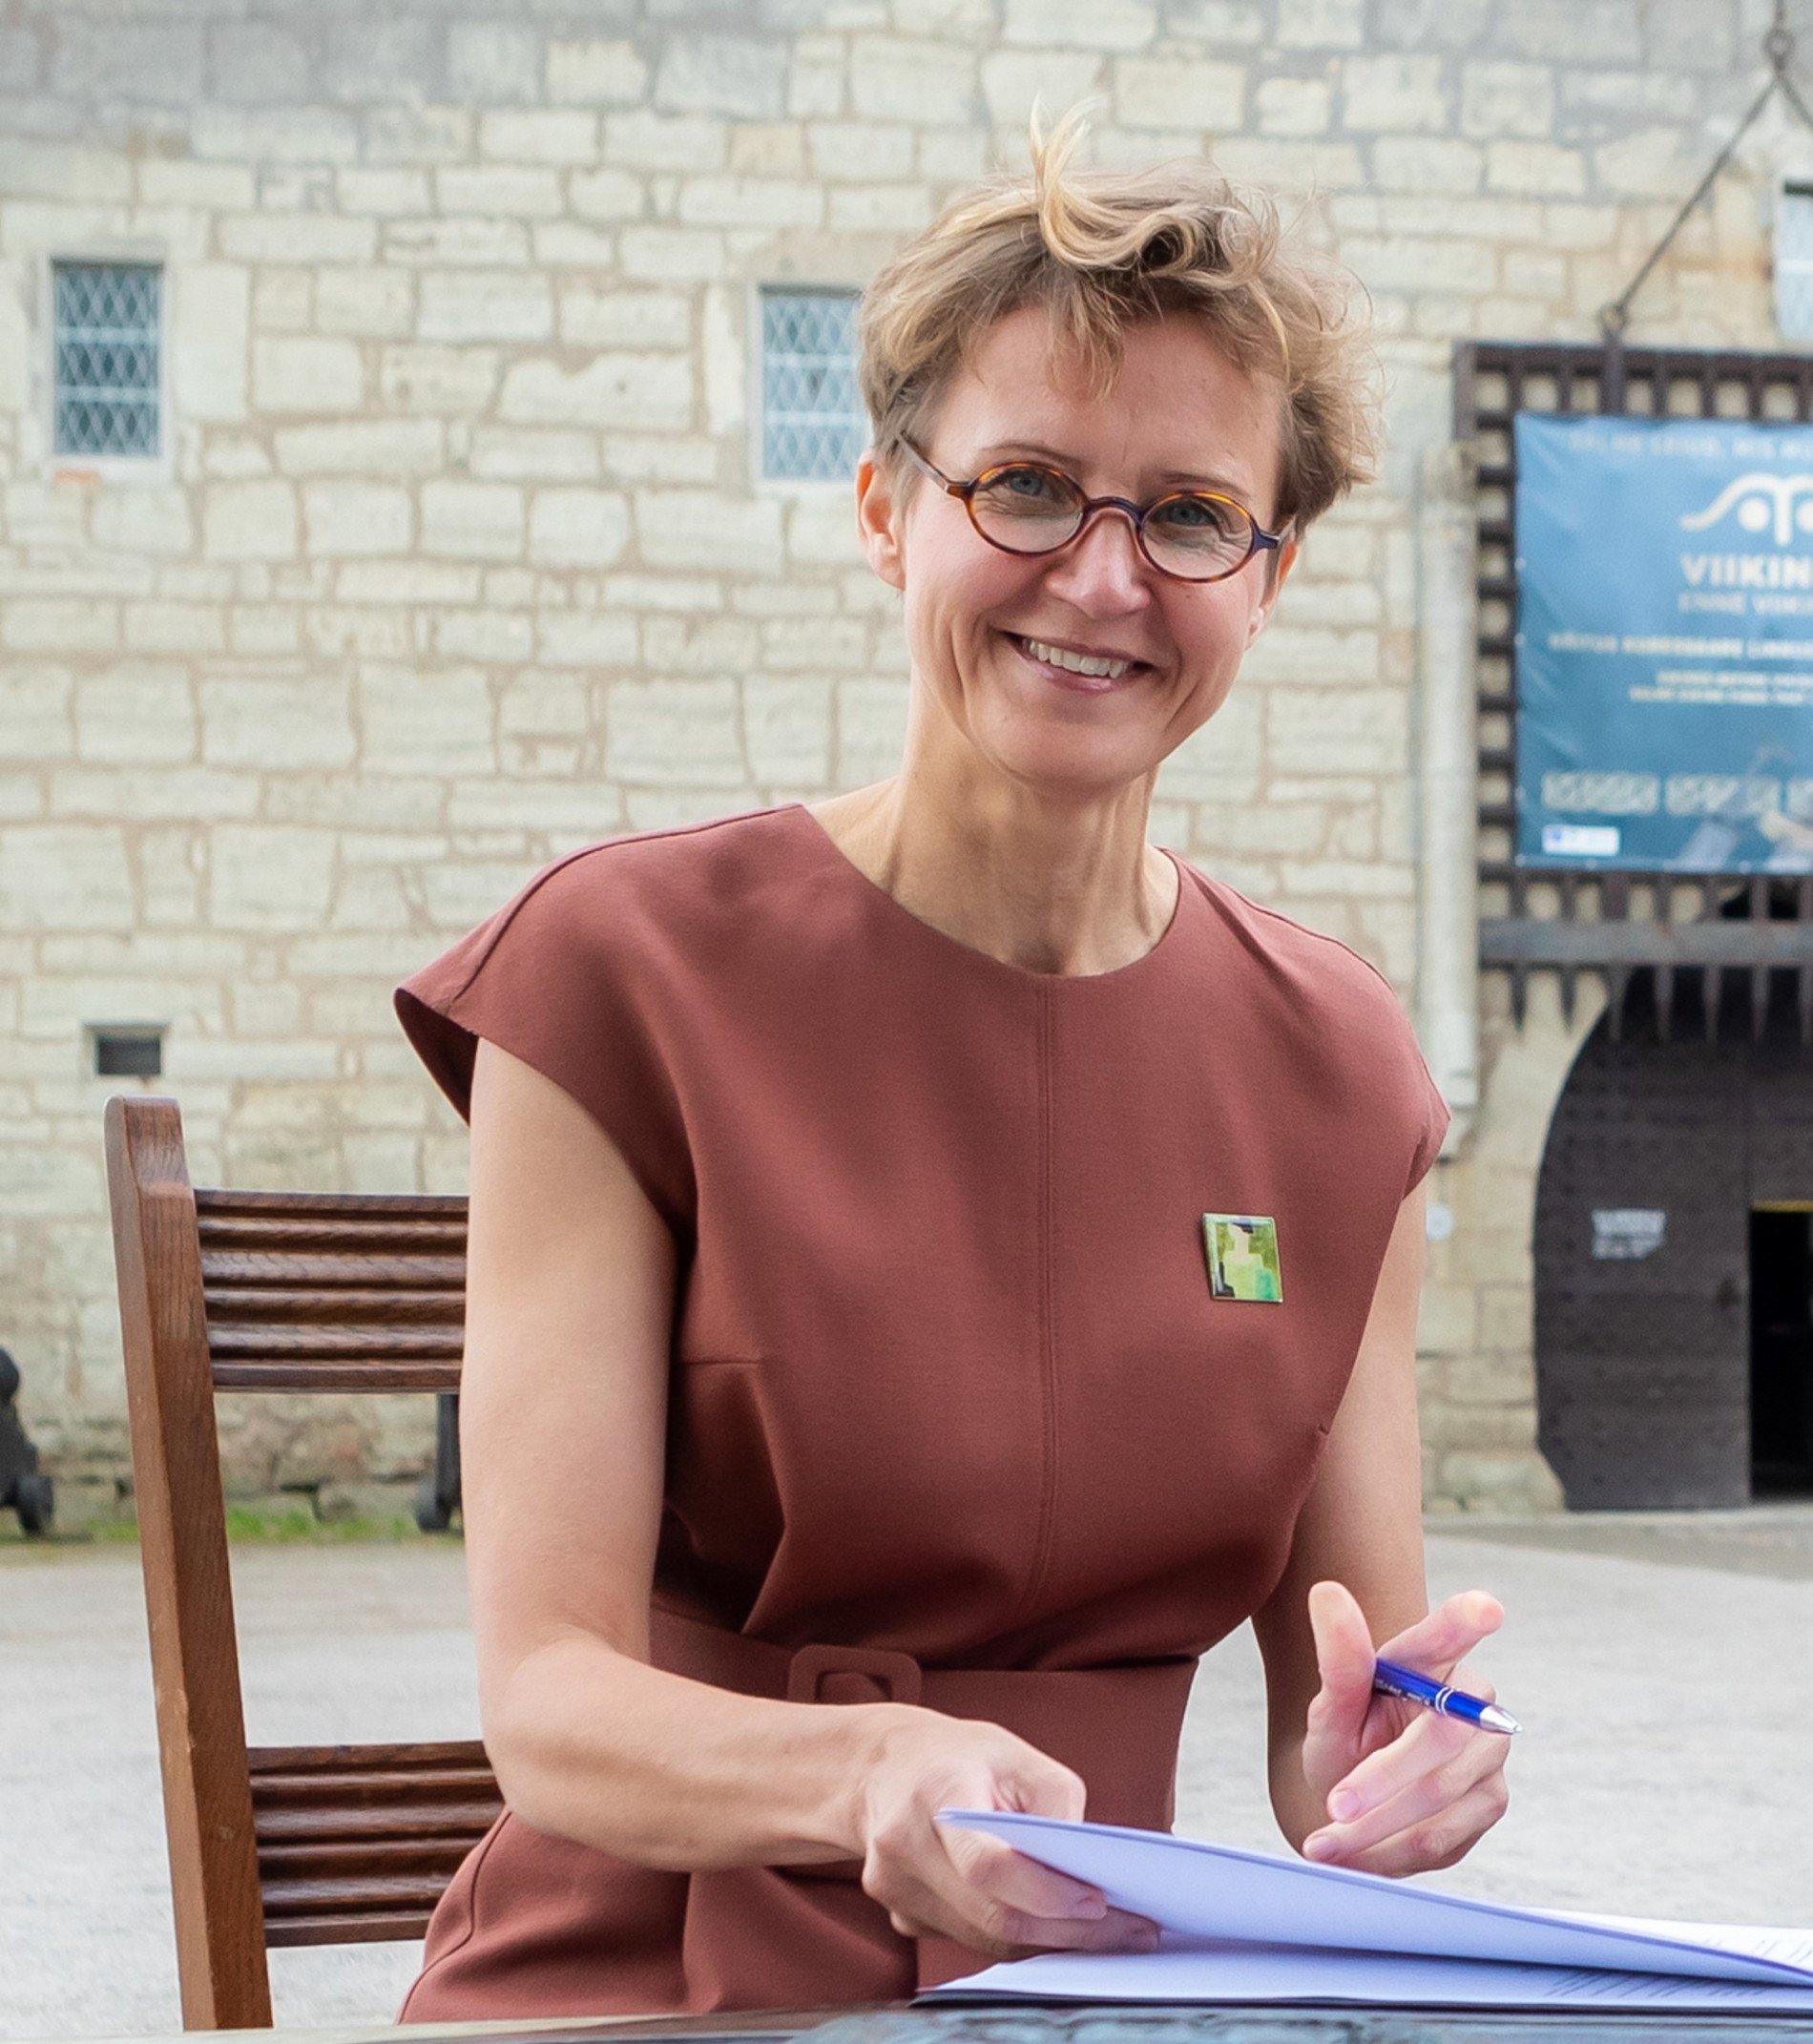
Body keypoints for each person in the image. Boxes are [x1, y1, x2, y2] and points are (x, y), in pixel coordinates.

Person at [393, 112, 1511, 2022]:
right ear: (883, 509)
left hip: (1084, 1998)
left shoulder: (1341, 1075)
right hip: (640, 1982)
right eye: (1026, 486)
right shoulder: (618, 972)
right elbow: (550, 1701)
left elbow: (1332, 1720)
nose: (1102, 577)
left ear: (1267, 575)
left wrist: (1397, 1765)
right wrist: (862, 1774)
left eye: (1187, 515)